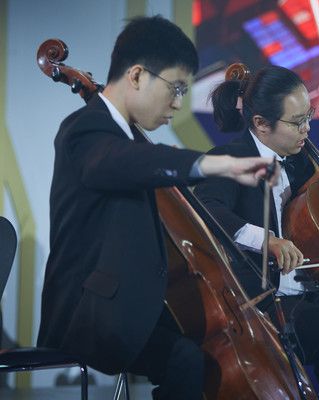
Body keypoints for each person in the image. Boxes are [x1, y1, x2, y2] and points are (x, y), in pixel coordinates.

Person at [37, 16, 278, 400]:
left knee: (204, 356)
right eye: (175, 88)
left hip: (136, 300)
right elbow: (121, 161)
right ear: (136, 75)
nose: (179, 103)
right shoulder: (85, 128)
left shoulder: (129, 140)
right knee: (187, 361)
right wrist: (219, 164)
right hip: (91, 311)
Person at [193, 65, 319, 400]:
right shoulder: (229, 159)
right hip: (263, 302)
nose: (307, 129)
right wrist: (268, 240)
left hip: (312, 292)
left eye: (309, 116)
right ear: (261, 123)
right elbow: (207, 211)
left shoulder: (305, 161)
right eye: (296, 122)